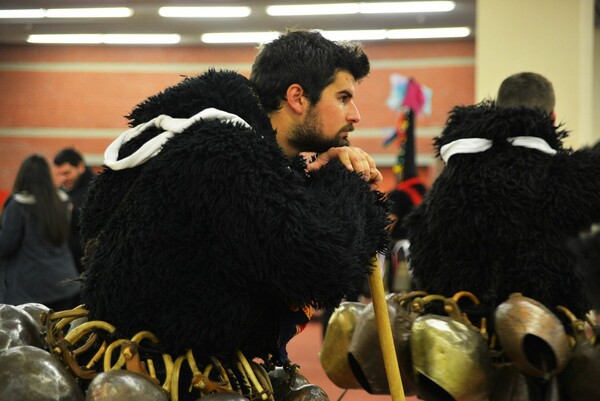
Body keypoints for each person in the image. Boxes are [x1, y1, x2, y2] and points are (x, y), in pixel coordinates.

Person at [78, 28, 390, 396]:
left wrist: (322, 172)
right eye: (343, 97)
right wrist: (345, 180)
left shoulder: (222, 144)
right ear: (297, 97)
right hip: (159, 376)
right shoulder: (221, 151)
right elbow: (322, 263)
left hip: (180, 362)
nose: (355, 115)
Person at [405, 71, 600, 325]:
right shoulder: (573, 178)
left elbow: (422, 254)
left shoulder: (449, 178)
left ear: (498, 110)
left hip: (456, 341)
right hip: (544, 348)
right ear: (552, 117)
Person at [0, 154, 80, 310]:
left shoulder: (18, 205)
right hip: (65, 282)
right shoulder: (62, 201)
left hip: (30, 289)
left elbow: (6, 246)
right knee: (59, 333)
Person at [54, 147, 96, 274]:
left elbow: (94, 222)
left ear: (80, 167)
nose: (62, 179)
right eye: (59, 174)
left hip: (88, 265)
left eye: (66, 173)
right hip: (67, 263)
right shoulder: (63, 191)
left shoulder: (96, 190)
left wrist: (71, 211)